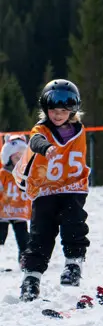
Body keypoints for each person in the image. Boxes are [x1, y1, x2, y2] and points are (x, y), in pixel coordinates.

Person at [16, 80, 91, 301]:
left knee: (74, 223)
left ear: (72, 111)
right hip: (45, 191)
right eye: (53, 111)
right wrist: (46, 147)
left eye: (63, 111)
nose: (58, 115)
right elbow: (35, 141)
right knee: (40, 235)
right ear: (45, 109)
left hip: (72, 188)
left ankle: (73, 265)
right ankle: (31, 279)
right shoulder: (41, 130)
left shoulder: (79, 130)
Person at [0, 136, 31, 264]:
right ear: (8, 158)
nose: (19, 161)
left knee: (23, 239)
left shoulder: (26, 175)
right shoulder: (3, 174)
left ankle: (24, 261)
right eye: (16, 158)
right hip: (3, 213)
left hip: (20, 212)